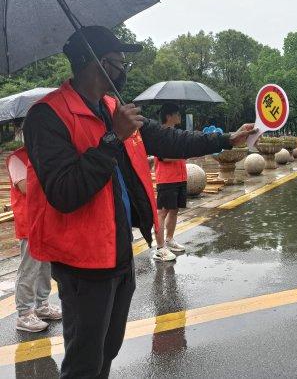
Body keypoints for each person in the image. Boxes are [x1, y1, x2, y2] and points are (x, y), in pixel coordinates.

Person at [23, 26, 255, 379]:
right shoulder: (48, 115)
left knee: (108, 349)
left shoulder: (113, 107)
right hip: (83, 261)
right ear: (101, 64)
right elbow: (65, 191)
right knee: (84, 362)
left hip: (119, 249)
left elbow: (169, 140)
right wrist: (113, 137)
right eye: (120, 62)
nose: (124, 70)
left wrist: (225, 139)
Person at [8, 146, 62, 332]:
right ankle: (24, 314)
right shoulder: (17, 158)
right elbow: (26, 187)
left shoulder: (42, 153)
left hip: (44, 220)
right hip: (29, 223)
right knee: (29, 268)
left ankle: (42, 305)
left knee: (44, 266)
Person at [153, 103, 187, 262]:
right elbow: (163, 157)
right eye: (177, 113)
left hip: (180, 177)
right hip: (167, 179)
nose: (180, 116)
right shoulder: (160, 134)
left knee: (174, 210)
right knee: (162, 212)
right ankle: (160, 248)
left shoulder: (176, 133)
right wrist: (183, 154)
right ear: (168, 116)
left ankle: (170, 240)